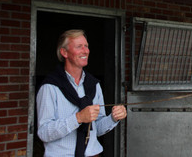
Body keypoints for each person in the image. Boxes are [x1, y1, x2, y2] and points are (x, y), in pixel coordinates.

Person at [36, 29, 127, 157]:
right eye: (79, 47)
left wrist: (113, 118)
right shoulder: (50, 87)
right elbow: (44, 133)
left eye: (86, 46)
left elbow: (97, 129)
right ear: (64, 52)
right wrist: (78, 118)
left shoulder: (93, 85)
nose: (86, 51)